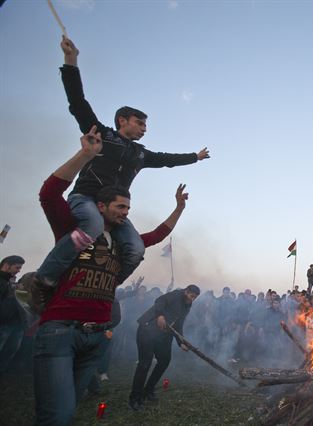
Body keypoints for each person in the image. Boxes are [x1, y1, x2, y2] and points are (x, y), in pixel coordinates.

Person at [30, 127, 191, 425]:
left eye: (128, 208)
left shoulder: (124, 243)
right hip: (61, 331)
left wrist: (179, 208)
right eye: (120, 207)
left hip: (97, 337)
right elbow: (48, 195)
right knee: (58, 415)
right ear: (100, 206)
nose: (126, 213)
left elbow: (157, 235)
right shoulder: (73, 229)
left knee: (71, 408)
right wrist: (84, 155)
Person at [32, 36, 210, 294]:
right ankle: (46, 276)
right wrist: (71, 62)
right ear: (122, 120)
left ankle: (109, 285)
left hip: (115, 209)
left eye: (146, 126)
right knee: (92, 226)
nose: (144, 128)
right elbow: (78, 103)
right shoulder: (103, 135)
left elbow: (167, 160)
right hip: (87, 199)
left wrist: (194, 156)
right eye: (140, 123)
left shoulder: (141, 154)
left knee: (136, 248)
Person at [129, 284, 200, 410]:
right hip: (147, 329)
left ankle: (148, 390)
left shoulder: (188, 305)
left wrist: (180, 342)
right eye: (191, 296)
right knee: (145, 364)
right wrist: (160, 315)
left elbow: (179, 324)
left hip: (164, 334)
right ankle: (135, 398)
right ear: (186, 291)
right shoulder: (175, 295)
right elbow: (159, 301)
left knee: (164, 361)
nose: (192, 299)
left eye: (195, 298)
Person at [0, 255, 26, 374]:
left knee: (10, 350)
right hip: (3, 323)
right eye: (17, 267)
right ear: (6, 265)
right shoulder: (2, 281)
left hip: (13, 324)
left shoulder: (8, 281)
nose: (19, 270)